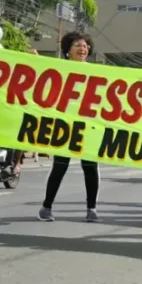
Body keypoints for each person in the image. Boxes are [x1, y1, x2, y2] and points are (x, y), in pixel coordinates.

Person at [38, 31, 102, 222]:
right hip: (64, 125)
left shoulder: (97, 71)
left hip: (88, 126)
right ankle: (46, 207)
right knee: (60, 166)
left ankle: (92, 209)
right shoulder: (60, 68)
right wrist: (34, 60)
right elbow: (43, 77)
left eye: (85, 46)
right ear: (68, 51)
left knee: (90, 167)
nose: (83, 49)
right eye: (78, 46)